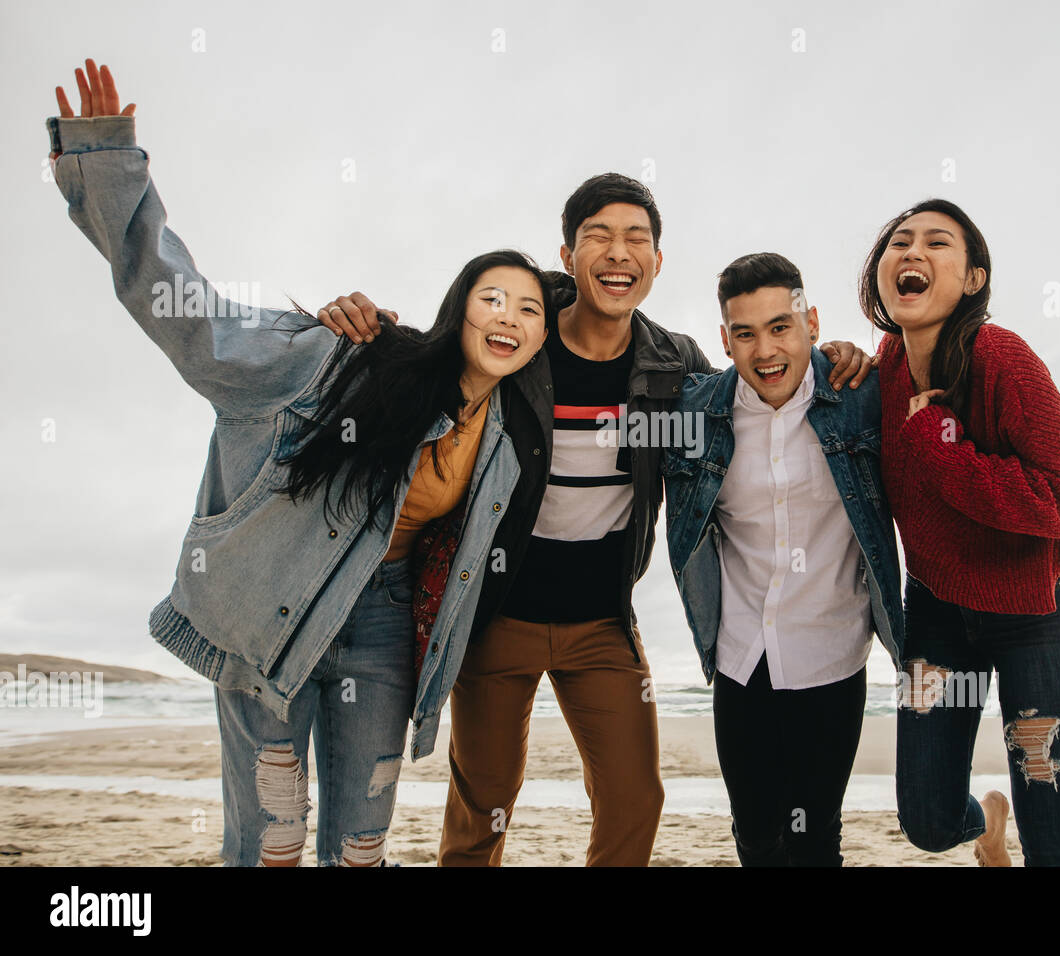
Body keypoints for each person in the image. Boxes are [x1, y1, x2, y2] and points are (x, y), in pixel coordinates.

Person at [46, 59, 553, 866]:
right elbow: (191, 318)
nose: (511, 316)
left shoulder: (507, 443)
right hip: (278, 612)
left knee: (360, 845)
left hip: (384, 628)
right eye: (493, 296)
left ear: (536, 341)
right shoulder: (343, 356)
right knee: (273, 840)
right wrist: (105, 164)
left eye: (529, 309)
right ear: (458, 308)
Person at [316, 177, 873, 866]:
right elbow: (430, 356)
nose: (619, 252)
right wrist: (360, 328)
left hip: (603, 625)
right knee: (482, 808)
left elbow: (763, 383)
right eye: (599, 237)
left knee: (636, 802)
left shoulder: (675, 368)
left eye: (637, 238)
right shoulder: (518, 343)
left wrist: (838, 358)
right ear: (568, 253)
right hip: (496, 615)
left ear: (657, 263)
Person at [859, 198, 1060, 866]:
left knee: (1053, 842)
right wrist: (836, 359)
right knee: (929, 822)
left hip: (1033, 620)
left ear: (972, 279)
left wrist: (944, 450)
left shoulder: (1001, 358)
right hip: (934, 615)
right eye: (898, 242)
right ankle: (984, 829)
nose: (912, 253)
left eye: (938, 243)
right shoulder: (883, 371)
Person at [661, 253, 904, 865]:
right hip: (742, 659)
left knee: (814, 837)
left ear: (812, 323)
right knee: (755, 834)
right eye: (744, 333)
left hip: (833, 656)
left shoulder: (861, 397)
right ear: (725, 339)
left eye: (780, 326)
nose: (765, 349)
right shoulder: (696, 412)